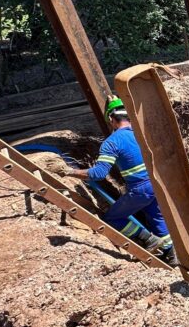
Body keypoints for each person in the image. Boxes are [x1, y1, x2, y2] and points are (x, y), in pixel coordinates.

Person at [67, 96, 177, 266]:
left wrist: (71, 172)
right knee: (157, 219)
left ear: (111, 119)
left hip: (140, 189)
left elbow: (98, 173)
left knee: (113, 218)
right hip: (158, 185)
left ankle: (148, 240)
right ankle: (173, 255)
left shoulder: (112, 142)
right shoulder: (142, 133)